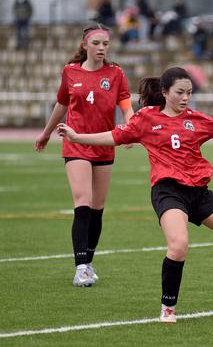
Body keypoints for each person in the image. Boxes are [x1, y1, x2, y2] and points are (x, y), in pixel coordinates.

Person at [56, 66, 213, 322]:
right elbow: (115, 136)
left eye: (189, 93)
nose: (185, 98)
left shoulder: (196, 119)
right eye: (180, 92)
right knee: (179, 246)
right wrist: (77, 136)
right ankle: (168, 308)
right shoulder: (146, 118)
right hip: (168, 192)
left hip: (199, 192)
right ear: (165, 92)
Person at [35, 24, 134, 287]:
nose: (102, 48)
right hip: (75, 144)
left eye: (105, 44)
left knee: (97, 209)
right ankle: (79, 267)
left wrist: (130, 128)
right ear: (85, 45)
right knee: (82, 201)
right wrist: (45, 133)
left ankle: (89, 262)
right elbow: (62, 104)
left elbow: (125, 105)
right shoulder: (70, 72)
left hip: (104, 144)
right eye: (97, 43)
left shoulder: (116, 73)